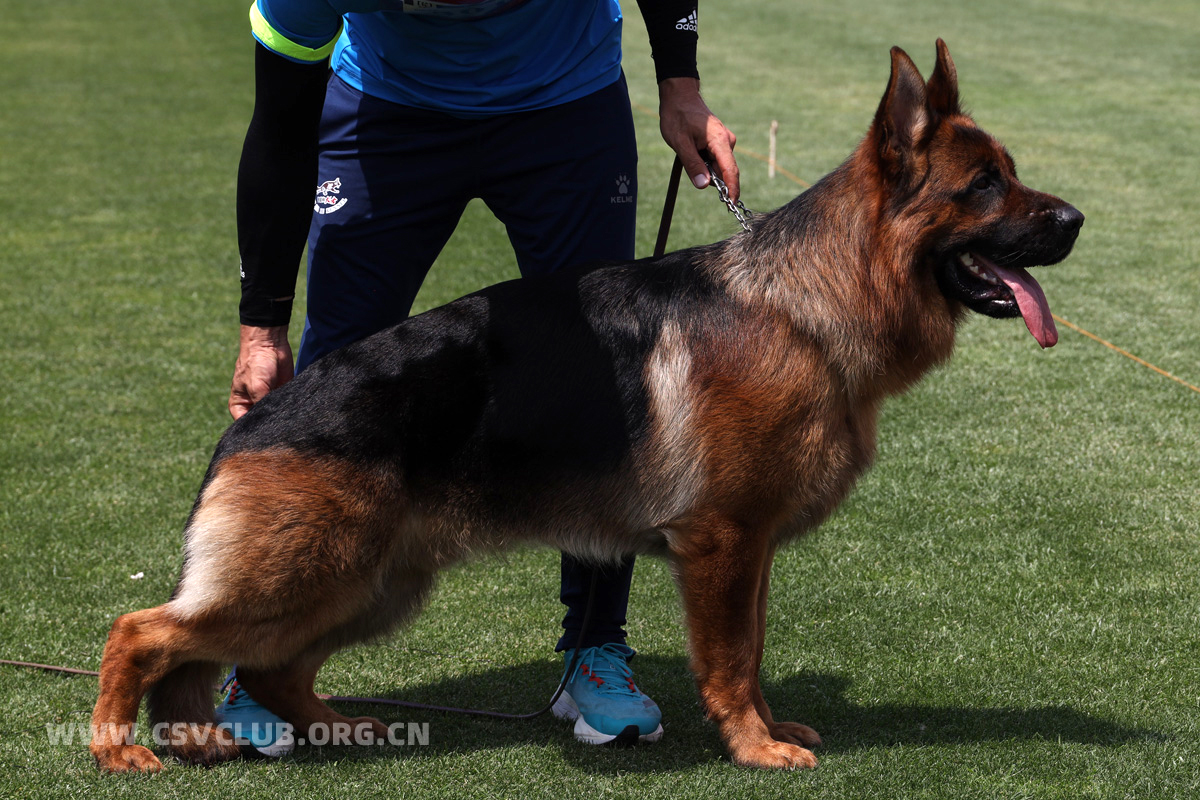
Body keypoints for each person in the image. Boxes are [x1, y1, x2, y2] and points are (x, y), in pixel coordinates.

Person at [216, 0, 740, 755]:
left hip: (564, 104)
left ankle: (595, 647)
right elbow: (281, 130)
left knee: (602, 378)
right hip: (386, 109)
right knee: (334, 379)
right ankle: (261, 659)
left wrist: (680, 86)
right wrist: (260, 328)